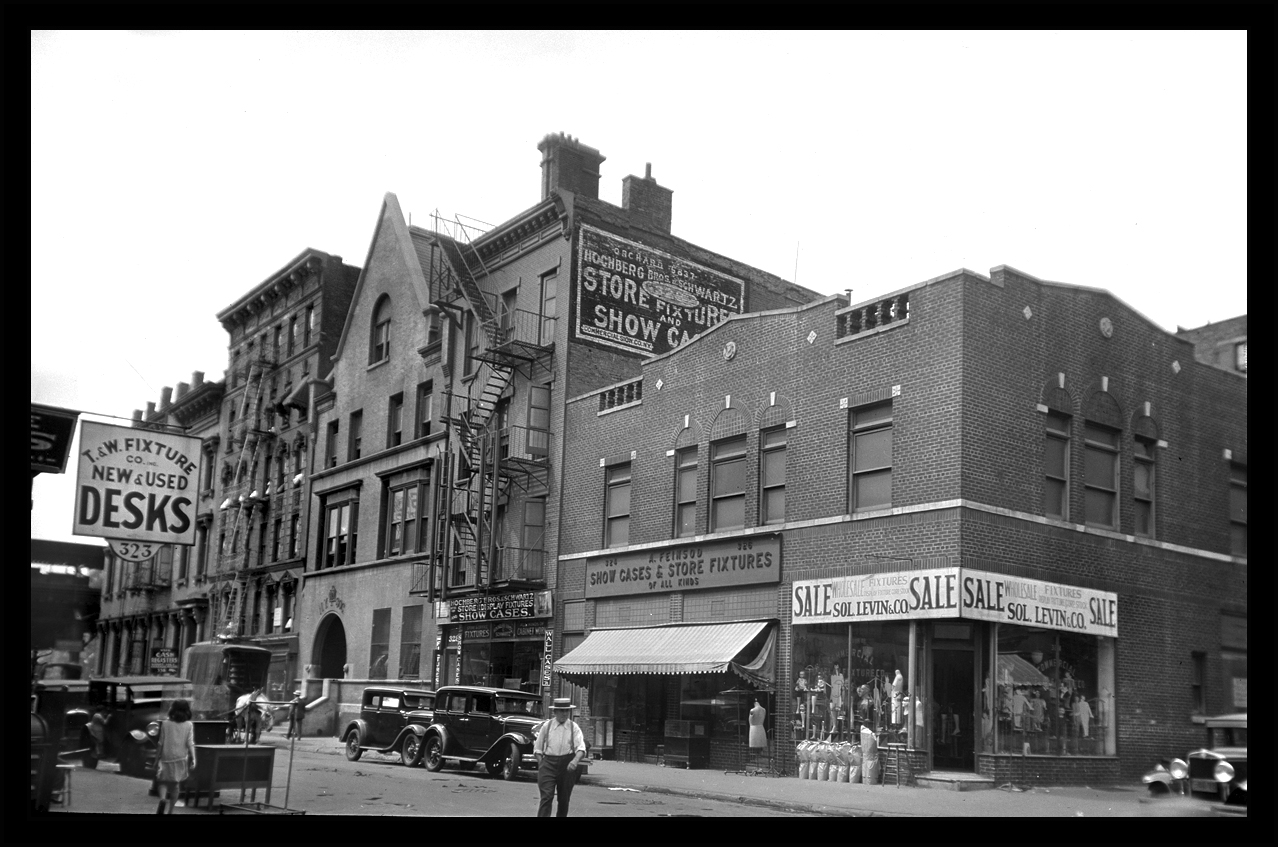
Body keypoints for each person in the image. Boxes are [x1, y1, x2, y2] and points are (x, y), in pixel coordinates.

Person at [534, 697, 586, 817]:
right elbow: (537, 749)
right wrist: (542, 763)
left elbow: (581, 749)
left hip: (567, 764)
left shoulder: (574, 728)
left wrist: (575, 760)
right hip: (548, 763)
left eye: (566, 711)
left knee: (563, 799)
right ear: (555, 712)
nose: (564, 714)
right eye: (561, 711)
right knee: (546, 797)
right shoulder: (547, 726)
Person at [155, 699, 196, 814]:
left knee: (162, 781)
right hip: (181, 757)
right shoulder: (189, 725)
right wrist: (194, 758)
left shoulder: (165, 724)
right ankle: (171, 810)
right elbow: (190, 743)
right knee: (175, 784)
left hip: (166, 757)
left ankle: (163, 799)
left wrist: (156, 758)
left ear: (172, 709)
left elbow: (160, 743)